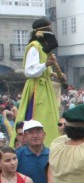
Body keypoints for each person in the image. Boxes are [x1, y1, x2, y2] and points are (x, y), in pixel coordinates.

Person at [13, 18, 60, 147]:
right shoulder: (35, 46)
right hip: (37, 89)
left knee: (50, 118)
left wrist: (52, 73)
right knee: (38, 117)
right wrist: (46, 64)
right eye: (49, 29)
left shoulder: (43, 48)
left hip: (45, 86)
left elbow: (42, 68)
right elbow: (29, 71)